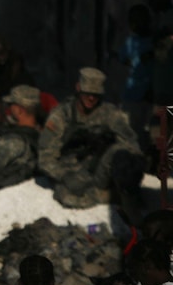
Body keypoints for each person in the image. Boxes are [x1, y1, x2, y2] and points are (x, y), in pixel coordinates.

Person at [38, 67, 144, 221]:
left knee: (122, 154)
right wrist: (64, 175)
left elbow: (131, 144)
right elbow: (45, 158)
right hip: (74, 173)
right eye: (87, 93)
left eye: (95, 95)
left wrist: (131, 165)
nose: (91, 99)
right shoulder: (61, 116)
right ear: (78, 88)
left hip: (101, 167)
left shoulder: (109, 113)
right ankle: (111, 196)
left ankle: (128, 202)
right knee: (66, 196)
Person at [119, 4, 154, 145]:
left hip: (151, 94)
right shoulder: (131, 42)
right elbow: (124, 59)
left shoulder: (154, 41)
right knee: (132, 131)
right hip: (134, 94)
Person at [0, 34, 35, 130]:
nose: (1, 58)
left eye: (2, 55)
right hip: (3, 89)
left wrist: (10, 101)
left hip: (21, 87)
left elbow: (15, 80)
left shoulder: (15, 58)